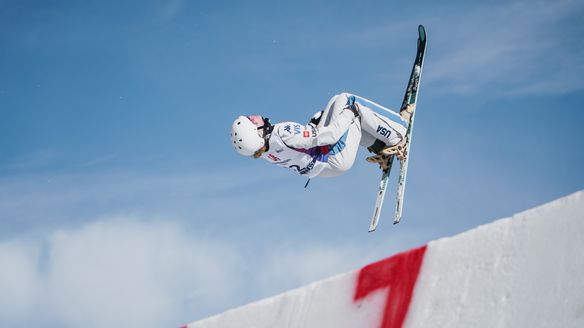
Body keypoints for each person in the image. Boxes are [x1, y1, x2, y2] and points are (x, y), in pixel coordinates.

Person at [230, 93, 412, 179]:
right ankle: (398, 132)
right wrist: (349, 113)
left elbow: (302, 147)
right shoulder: (282, 132)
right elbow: (330, 136)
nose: (255, 117)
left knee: (337, 101)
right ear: (256, 133)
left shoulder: (264, 152)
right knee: (350, 104)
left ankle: (381, 148)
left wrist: (315, 123)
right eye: (252, 121)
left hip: (325, 168)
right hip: (332, 158)